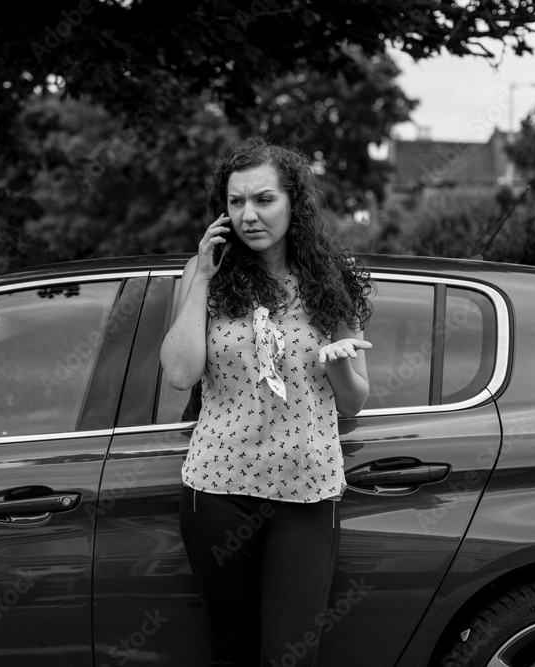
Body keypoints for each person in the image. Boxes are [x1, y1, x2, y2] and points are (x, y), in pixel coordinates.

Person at [160, 136, 374, 666]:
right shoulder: (203, 273)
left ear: (293, 203)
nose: (248, 215)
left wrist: (337, 361)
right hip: (218, 489)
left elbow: (353, 404)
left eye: (263, 199)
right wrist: (204, 277)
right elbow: (179, 373)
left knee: (289, 657)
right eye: (236, 202)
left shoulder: (330, 278)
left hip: (304, 495)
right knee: (231, 651)